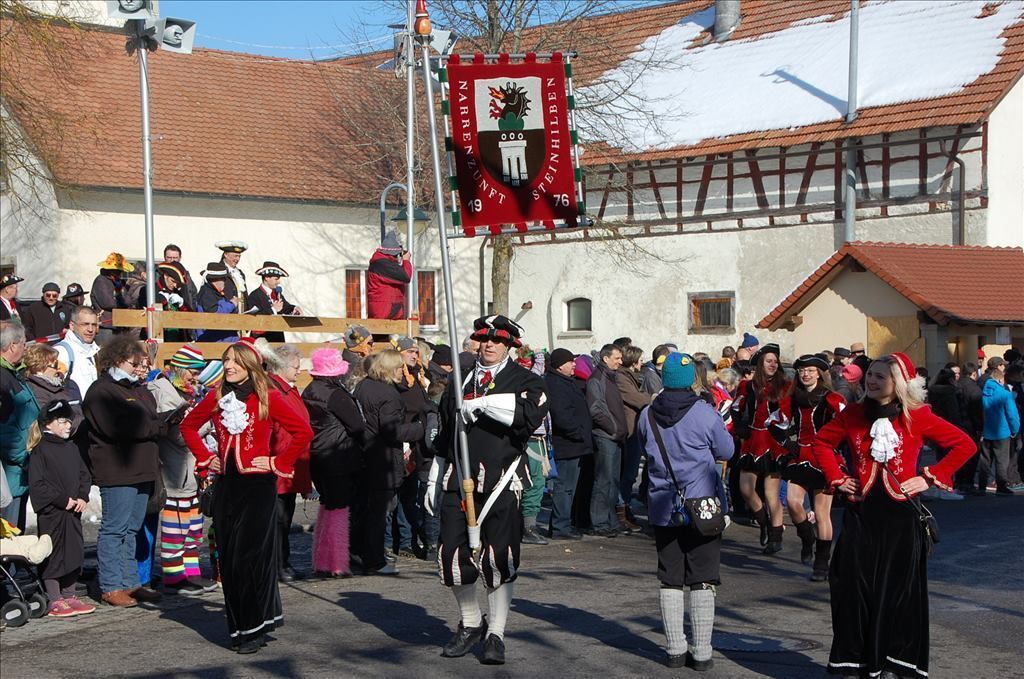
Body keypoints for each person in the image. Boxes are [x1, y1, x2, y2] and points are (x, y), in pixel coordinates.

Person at [812, 353, 975, 679]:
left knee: (896, 595)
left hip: (900, 519)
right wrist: (837, 476)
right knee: (852, 590)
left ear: (899, 383)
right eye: (871, 374)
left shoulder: (918, 416)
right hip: (861, 514)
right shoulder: (853, 414)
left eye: (881, 376)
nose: (872, 381)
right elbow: (821, 443)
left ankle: (892, 665)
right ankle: (855, 661)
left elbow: (964, 445)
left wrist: (929, 476)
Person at [426, 314, 548, 665]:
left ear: (510, 345)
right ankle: (470, 623)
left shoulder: (526, 380)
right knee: (451, 556)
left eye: (498, 341)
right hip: (458, 478)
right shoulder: (458, 380)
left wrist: (481, 405)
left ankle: (496, 632)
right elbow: (447, 434)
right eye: (484, 339)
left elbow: (527, 417)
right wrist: (436, 475)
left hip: (501, 480)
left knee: (498, 557)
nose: (490, 345)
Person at [179, 339, 313, 654]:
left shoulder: (267, 396)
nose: (229, 366)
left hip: (258, 487)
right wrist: (204, 456)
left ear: (250, 365)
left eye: (236, 361)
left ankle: (252, 627)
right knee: (229, 559)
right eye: (226, 360)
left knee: (249, 558)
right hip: (227, 487)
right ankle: (245, 625)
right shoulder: (216, 397)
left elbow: (303, 431)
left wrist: (279, 462)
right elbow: (188, 427)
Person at [638, 352, 733, 671]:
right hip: (702, 503)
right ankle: (702, 651)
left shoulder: (647, 414)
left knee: (670, 577)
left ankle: (675, 649)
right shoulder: (705, 413)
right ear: (693, 379)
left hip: (664, 505)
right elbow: (726, 451)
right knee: (703, 577)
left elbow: (644, 449)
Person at [83, 335, 165, 607]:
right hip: (118, 470)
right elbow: (118, 428)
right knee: (114, 529)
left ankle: (131, 582)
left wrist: (156, 422)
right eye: (133, 363)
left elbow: (150, 416)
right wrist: (155, 426)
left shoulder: (134, 389)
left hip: (141, 469)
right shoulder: (101, 391)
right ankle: (110, 585)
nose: (137, 368)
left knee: (131, 529)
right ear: (118, 360)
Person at [146, 345, 217, 596]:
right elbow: (179, 435)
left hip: (191, 472)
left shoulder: (189, 392)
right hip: (174, 472)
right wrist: (204, 424)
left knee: (193, 526)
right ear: (179, 368)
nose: (196, 377)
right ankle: (174, 576)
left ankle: (192, 572)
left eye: (198, 372)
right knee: (176, 525)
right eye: (192, 371)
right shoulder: (163, 391)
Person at [353, 348, 423, 575]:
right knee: (379, 512)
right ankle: (375, 560)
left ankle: (361, 554)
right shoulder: (388, 394)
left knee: (366, 510)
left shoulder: (364, 386)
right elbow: (393, 431)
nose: (402, 372)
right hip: (382, 459)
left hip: (365, 454)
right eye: (398, 368)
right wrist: (421, 429)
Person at [776, 354, 845, 580]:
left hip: (824, 456)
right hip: (801, 454)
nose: (805, 374)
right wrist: (787, 441)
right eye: (802, 370)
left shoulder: (832, 398)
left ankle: (822, 564)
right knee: (793, 502)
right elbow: (775, 421)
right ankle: (806, 537)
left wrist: (836, 444)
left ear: (819, 374)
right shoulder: (792, 397)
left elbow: (849, 423)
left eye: (810, 370)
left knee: (823, 513)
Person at [28, 399, 96, 618]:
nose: (69, 425)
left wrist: (82, 496)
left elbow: (84, 475)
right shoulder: (41, 450)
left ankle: (69, 594)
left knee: (74, 552)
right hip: (53, 513)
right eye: (63, 421)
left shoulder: (72, 447)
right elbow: (38, 485)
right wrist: (61, 500)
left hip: (73, 511)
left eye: (69, 421)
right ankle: (54, 597)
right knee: (53, 553)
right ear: (48, 424)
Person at [302, 348, 363, 578]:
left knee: (327, 507)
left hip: (318, 454)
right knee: (338, 509)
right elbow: (356, 425)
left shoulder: (308, 390)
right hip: (338, 455)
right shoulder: (336, 394)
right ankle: (337, 563)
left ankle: (321, 560)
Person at [731, 343, 790, 554]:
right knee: (745, 488)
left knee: (771, 494)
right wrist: (739, 428)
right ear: (760, 363)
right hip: (753, 439)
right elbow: (736, 407)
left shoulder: (785, 386)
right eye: (769, 361)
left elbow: (790, 413)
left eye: (775, 361)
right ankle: (764, 522)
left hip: (774, 442)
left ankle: (776, 537)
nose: (773, 364)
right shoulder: (747, 386)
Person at [264, 343, 313, 581]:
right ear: (282, 367)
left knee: (284, 518)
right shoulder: (274, 390)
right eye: (296, 366)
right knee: (277, 520)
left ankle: (283, 561)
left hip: (292, 464)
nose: (299, 370)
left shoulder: (288, 390)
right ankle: (277, 564)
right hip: (279, 464)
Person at [390, 336, 434, 558]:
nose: (414, 355)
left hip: (419, 442)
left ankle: (412, 538)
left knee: (413, 495)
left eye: (416, 352)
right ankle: (403, 540)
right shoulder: (396, 379)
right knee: (403, 495)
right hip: (404, 441)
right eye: (409, 352)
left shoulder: (419, 375)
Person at [545, 348, 591, 540]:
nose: (574, 364)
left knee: (568, 487)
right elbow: (562, 416)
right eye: (570, 361)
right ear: (559, 365)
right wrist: (578, 434)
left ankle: (560, 524)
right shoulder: (556, 384)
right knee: (564, 488)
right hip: (568, 444)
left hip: (574, 444)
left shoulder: (564, 382)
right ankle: (560, 527)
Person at [587, 343, 629, 537]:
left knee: (613, 480)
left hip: (616, 436)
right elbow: (596, 409)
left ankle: (611, 520)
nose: (620, 362)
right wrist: (612, 427)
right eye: (617, 358)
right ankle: (600, 522)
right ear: (606, 358)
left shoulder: (611, 377)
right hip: (606, 436)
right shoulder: (597, 379)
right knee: (603, 480)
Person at [0, 319, 38, 532]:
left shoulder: (13, 374)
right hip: (10, 474)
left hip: (20, 473)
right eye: (23, 343)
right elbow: (3, 431)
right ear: (13, 345)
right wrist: (24, 456)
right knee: (9, 535)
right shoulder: (2, 378)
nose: (26, 348)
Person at [616, 344, 651, 532]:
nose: (643, 362)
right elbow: (637, 399)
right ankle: (621, 512)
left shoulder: (631, 377)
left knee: (629, 475)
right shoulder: (622, 378)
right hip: (628, 431)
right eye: (640, 359)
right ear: (633, 361)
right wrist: (654, 397)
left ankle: (625, 508)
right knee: (627, 475)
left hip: (633, 430)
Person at [22, 343, 84, 437]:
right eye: (55, 364)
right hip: (57, 443)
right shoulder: (35, 390)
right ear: (39, 367)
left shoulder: (61, 384)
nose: (59, 368)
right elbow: (53, 423)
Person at [979, 357, 1021, 495]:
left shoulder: (984, 393)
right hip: (1002, 431)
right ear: (1000, 380)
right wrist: (1015, 430)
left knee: (985, 460)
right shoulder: (1005, 394)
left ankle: (981, 485)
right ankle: (1001, 486)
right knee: (1001, 461)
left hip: (987, 431)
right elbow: (1012, 415)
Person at [246, 262, 302, 342]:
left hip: (277, 338)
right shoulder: (254, 295)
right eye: (276, 279)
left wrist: (294, 308)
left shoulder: (277, 293)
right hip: (262, 340)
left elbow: (285, 307)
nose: (279, 282)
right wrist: (273, 310)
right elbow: (253, 317)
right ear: (266, 278)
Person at [54, 306, 101, 397]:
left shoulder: (96, 351)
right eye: (85, 324)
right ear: (72, 326)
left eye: (94, 325)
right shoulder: (61, 352)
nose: (90, 329)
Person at [367, 231, 412, 320]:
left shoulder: (380, 263)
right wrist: (406, 261)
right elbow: (406, 276)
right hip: (384, 313)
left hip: (385, 312)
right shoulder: (382, 264)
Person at [91, 253, 134, 337]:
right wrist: (122, 303)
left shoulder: (119, 282)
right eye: (118, 270)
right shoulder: (101, 281)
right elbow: (108, 303)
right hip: (106, 326)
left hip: (120, 325)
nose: (120, 273)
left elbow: (128, 301)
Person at [195, 263, 240, 343]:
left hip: (223, 339)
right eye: (224, 279)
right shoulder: (207, 293)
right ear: (216, 280)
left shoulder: (215, 293)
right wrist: (232, 304)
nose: (225, 282)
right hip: (213, 341)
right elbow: (215, 313)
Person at [215, 240, 249, 311]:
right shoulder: (218, 271)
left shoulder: (240, 273)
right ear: (226, 255)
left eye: (239, 256)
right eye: (235, 256)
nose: (237, 259)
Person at [162, 244, 199, 308]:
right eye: (169, 257)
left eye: (175, 258)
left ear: (180, 258)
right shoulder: (157, 274)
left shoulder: (186, 275)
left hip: (185, 313)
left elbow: (193, 295)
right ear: (164, 257)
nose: (172, 260)